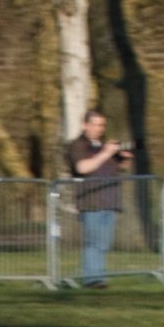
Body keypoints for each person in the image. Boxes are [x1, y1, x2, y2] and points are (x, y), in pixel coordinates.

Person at [64, 109, 133, 287]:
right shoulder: (78, 146)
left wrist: (124, 160)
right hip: (91, 201)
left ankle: (97, 275)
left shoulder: (105, 145)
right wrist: (106, 153)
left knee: (103, 243)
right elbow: (82, 168)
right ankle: (93, 279)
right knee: (93, 242)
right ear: (84, 124)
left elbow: (118, 169)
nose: (98, 128)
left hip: (109, 200)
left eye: (101, 125)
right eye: (94, 124)